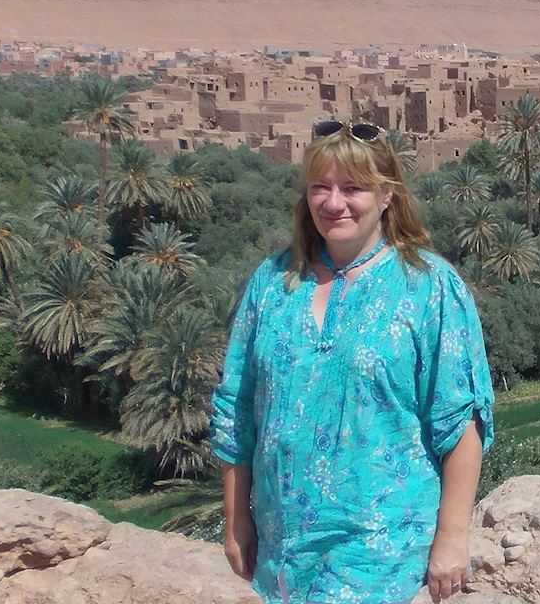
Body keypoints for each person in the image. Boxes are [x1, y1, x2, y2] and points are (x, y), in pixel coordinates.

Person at [212, 120, 494, 604]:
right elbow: (238, 406)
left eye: (353, 188)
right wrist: (236, 518)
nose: (333, 202)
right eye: (320, 187)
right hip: (284, 551)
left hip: (380, 553)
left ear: (387, 196)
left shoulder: (428, 287)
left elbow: (460, 422)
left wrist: (452, 538)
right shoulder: (274, 282)